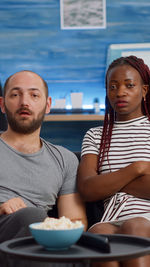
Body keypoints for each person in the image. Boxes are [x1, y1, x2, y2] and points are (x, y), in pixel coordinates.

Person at [0, 70, 87, 266]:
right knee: (33, 216)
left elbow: (75, 220)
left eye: (34, 95)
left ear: (47, 105)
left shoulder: (65, 159)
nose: (24, 102)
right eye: (15, 94)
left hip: (40, 241)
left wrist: (57, 232)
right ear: (2, 104)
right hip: (5, 229)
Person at [77, 55, 150, 267]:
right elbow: (88, 189)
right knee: (97, 233)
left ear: (144, 90)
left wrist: (107, 183)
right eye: (113, 86)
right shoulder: (94, 135)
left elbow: (97, 186)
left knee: (135, 226)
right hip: (111, 216)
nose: (120, 92)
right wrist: (138, 168)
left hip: (145, 217)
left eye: (129, 85)